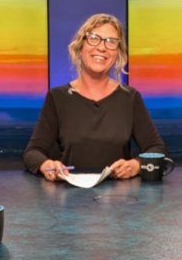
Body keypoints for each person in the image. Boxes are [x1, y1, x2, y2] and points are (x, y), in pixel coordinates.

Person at [22, 13, 168, 181]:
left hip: (120, 200)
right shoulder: (57, 97)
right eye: (94, 38)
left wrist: (136, 165)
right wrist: (47, 165)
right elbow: (33, 152)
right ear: (80, 46)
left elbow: (158, 149)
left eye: (111, 42)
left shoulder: (130, 98)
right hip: (70, 199)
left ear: (118, 54)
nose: (102, 47)